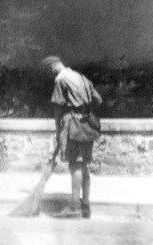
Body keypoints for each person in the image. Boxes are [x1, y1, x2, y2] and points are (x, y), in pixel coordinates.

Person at [44, 56, 102, 219]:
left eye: (49, 71)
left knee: (75, 165)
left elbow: (57, 108)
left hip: (73, 127)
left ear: (52, 67)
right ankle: (86, 206)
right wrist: (85, 109)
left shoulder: (61, 80)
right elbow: (98, 99)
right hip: (88, 126)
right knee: (83, 165)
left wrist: (57, 130)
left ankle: (74, 207)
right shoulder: (81, 77)